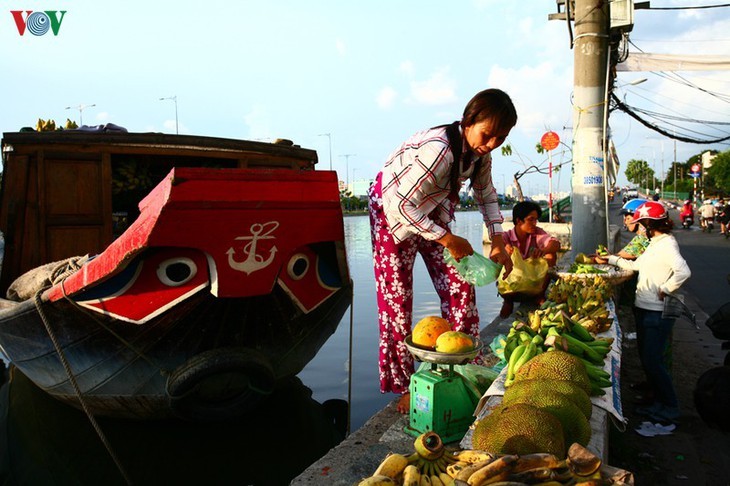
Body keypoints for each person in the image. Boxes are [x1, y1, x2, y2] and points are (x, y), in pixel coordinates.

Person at [367, 88, 517, 413]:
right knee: (397, 301)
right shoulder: (440, 150)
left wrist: (499, 241)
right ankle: (404, 387)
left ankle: (461, 368)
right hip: (393, 210)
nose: (490, 144)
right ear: (468, 122)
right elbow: (402, 205)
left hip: (431, 209)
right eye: (487, 134)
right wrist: (447, 239)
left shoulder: (479, 157)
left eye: (500, 138)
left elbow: (487, 197)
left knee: (461, 285)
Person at [607, 201, 691, 423]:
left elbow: (683, 271)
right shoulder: (654, 243)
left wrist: (666, 288)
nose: (640, 227)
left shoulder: (666, 244)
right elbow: (636, 265)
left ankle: (670, 407)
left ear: (649, 224)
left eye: (641, 223)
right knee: (647, 359)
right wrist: (609, 259)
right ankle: (657, 403)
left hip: (657, 312)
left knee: (654, 361)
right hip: (644, 309)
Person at [498, 201, 560, 318]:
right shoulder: (506, 236)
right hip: (511, 286)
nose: (534, 223)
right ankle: (507, 304)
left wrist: (544, 250)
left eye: (536, 220)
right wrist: (505, 250)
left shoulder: (537, 233)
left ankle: (540, 294)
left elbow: (555, 244)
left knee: (551, 255)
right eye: (531, 220)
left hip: (533, 284)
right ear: (518, 221)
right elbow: (496, 252)